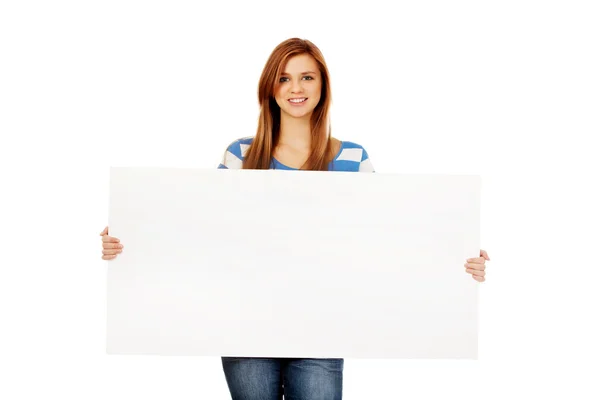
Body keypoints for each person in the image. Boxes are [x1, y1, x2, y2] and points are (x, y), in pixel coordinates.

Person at [99, 38, 490, 400]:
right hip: (243, 324)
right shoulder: (241, 154)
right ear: (270, 88)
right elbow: (199, 228)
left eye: (307, 76)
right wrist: (134, 236)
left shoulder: (352, 158)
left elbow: (385, 239)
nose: (295, 87)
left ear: (323, 85)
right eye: (284, 78)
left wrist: (453, 256)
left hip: (322, 326)